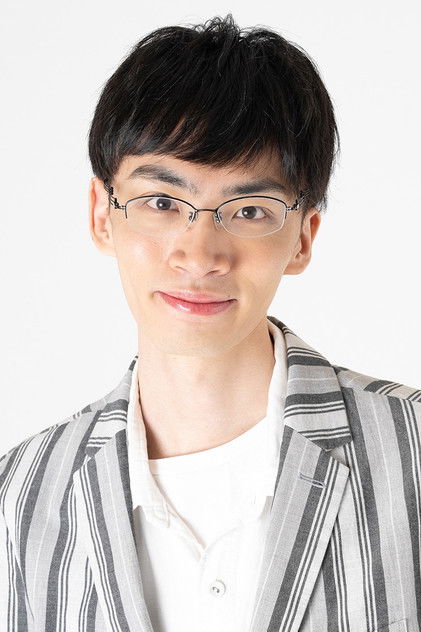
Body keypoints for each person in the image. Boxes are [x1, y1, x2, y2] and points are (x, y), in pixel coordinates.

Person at [0, 13, 420, 632]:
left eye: (248, 210)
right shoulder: (21, 496)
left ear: (304, 237)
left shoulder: (411, 454)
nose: (199, 256)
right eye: (161, 202)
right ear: (101, 215)